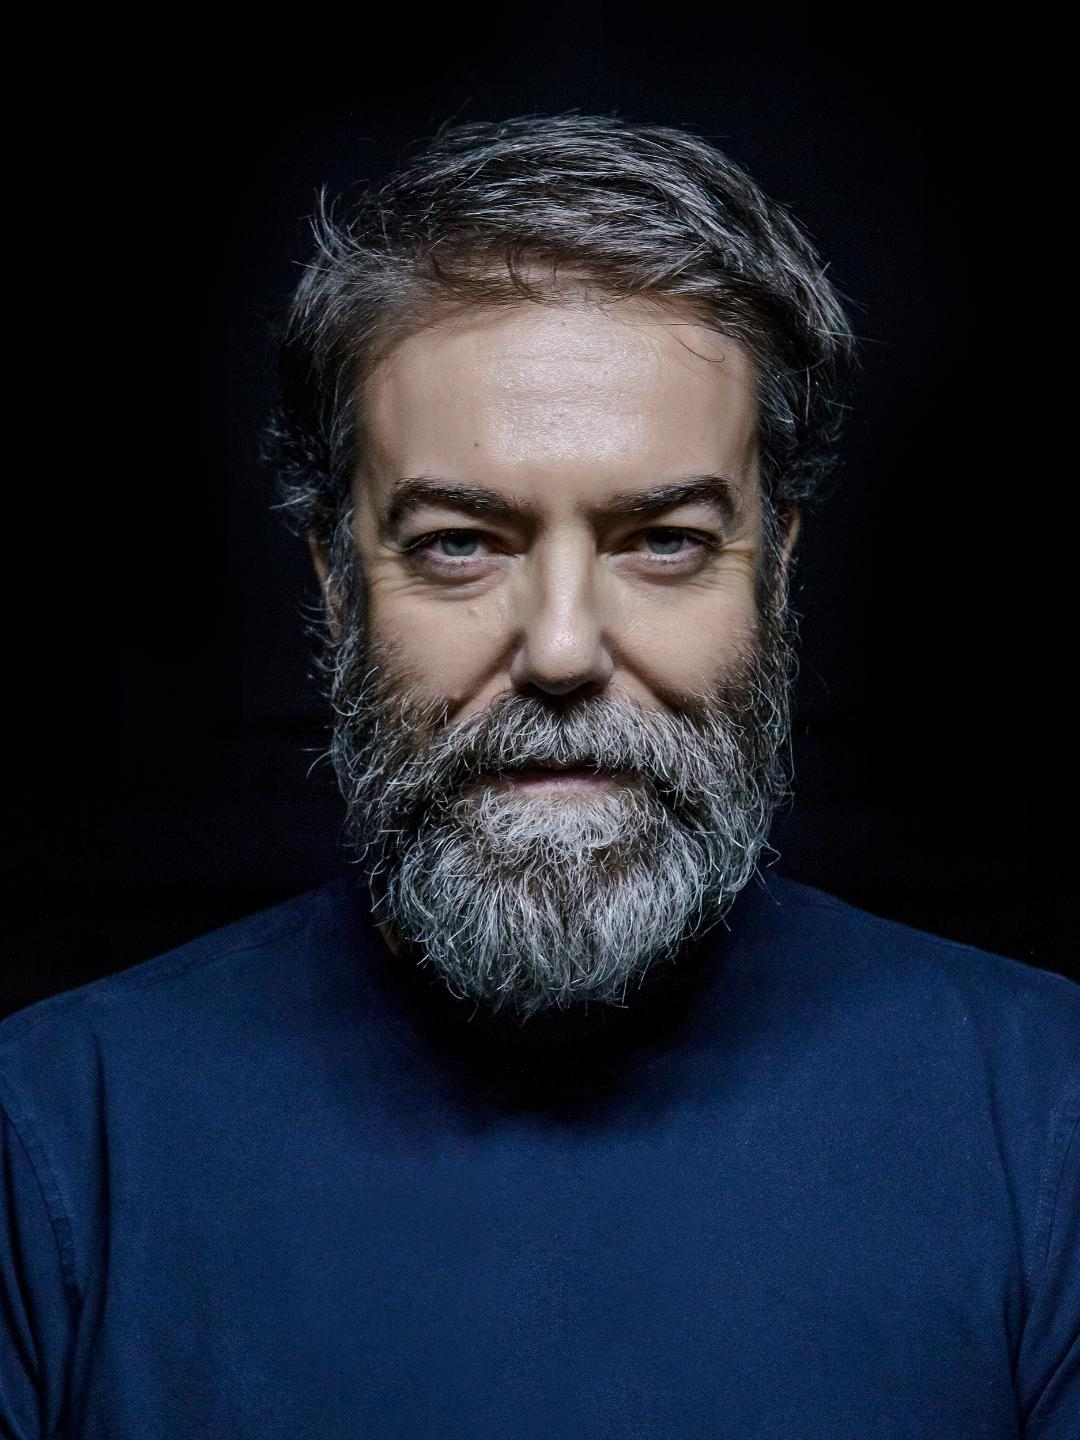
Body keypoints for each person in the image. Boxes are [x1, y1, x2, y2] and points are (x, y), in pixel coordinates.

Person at [1, 114, 1076, 1439]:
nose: (562, 651)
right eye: (459, 543)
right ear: (336, 583)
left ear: (778, 570)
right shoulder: (51, 1140)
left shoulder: (1049, 1117)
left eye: (664, 541)